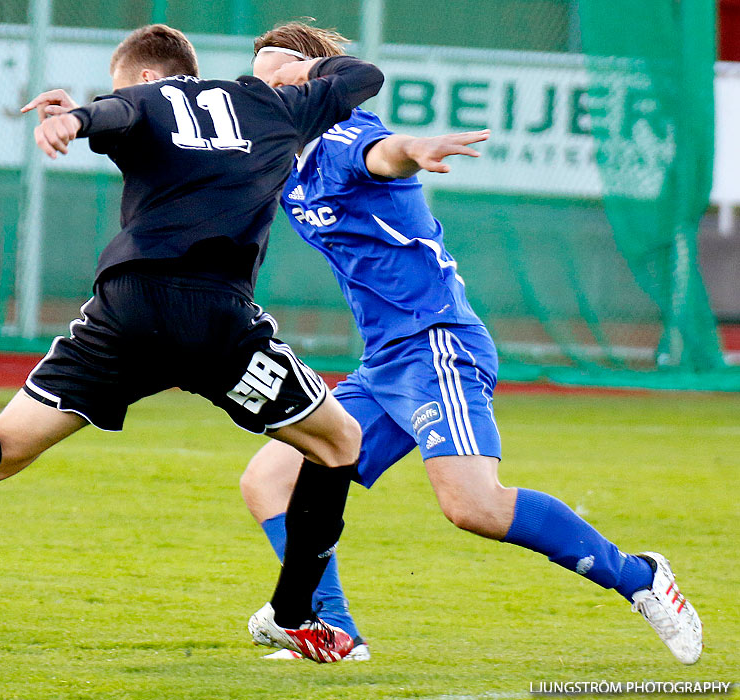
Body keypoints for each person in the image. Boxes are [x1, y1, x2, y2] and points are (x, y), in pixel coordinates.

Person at [0, 24, 386, 663]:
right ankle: (294, 616)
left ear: (150, 76)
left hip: (124, 310)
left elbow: (117, 112)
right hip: (211, 318)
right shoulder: (277, 105)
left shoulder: (147, 101)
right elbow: (363, 77)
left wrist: (76, 118)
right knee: (338, 443)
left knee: (2, 453)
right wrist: (301, 73)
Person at [241, 22, 703, 665]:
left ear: (317, 81)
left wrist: (413, 149)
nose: (262, 84)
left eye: (279, 71)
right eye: (257, 71)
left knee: (473, 505)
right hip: (385, 363)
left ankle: (641, 578)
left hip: (436, 346)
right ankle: (334, 634)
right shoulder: (284, 161)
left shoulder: (346, 136)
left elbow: (385, 152)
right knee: (271, 479)